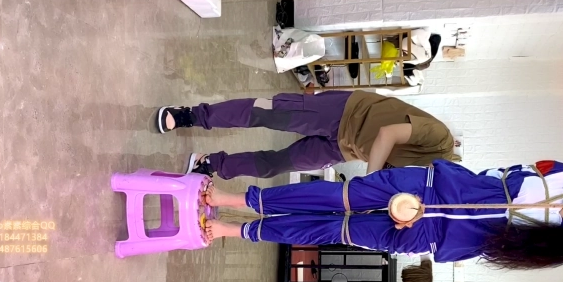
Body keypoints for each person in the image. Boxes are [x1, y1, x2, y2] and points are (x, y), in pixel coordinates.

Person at [198, 159, 563, 282]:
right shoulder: (559, 173)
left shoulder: (556, 248)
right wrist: (422, 195)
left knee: (331, 231)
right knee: (333, 197)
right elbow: (493, 175)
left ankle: (231, 231)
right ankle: (231, 198)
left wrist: (419, 236)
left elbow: (484, 249)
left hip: (425, 234)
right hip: (424, 188)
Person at [156, 90, 461, 179]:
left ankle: (210, 164)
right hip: (346, 111)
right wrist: (372, 181)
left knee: (276, 166)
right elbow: (387, 134)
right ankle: (190, 115)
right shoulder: (440, 138)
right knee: (265, 113)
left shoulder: (424, 181)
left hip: (346, 149)